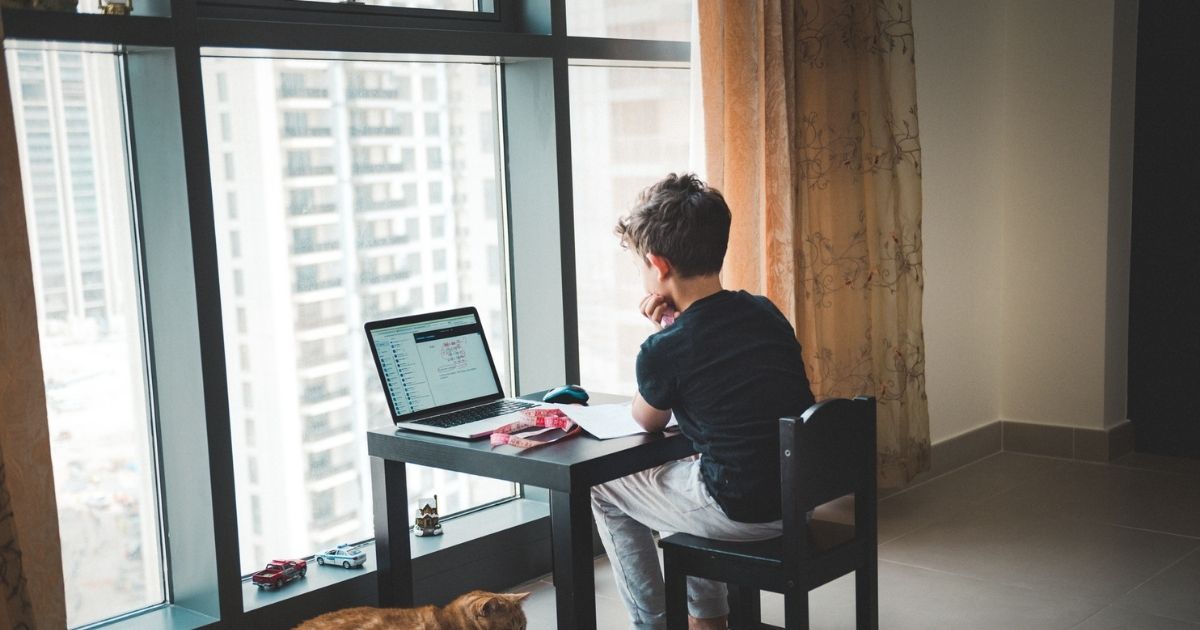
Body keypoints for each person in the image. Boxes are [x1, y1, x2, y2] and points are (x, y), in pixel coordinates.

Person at [591, 173, 815, 630]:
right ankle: (707, 619)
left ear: (658, 264)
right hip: (799, 496)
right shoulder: (764, 310)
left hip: (743, 510)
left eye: (639, 265)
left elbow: (645, 420)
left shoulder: (667, 348)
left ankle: (654, 623)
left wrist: (664, 337)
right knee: (687, 477)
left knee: (603, 487)